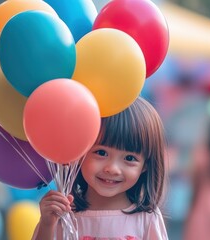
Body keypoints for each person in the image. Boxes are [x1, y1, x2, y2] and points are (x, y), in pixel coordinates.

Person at [33, 97, 169, 240]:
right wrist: (47, 225)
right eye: (101, 153)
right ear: (79, 152)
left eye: (129, 158)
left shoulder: (146, 219)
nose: (112, 169)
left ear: (144, 166)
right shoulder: (62, 215)